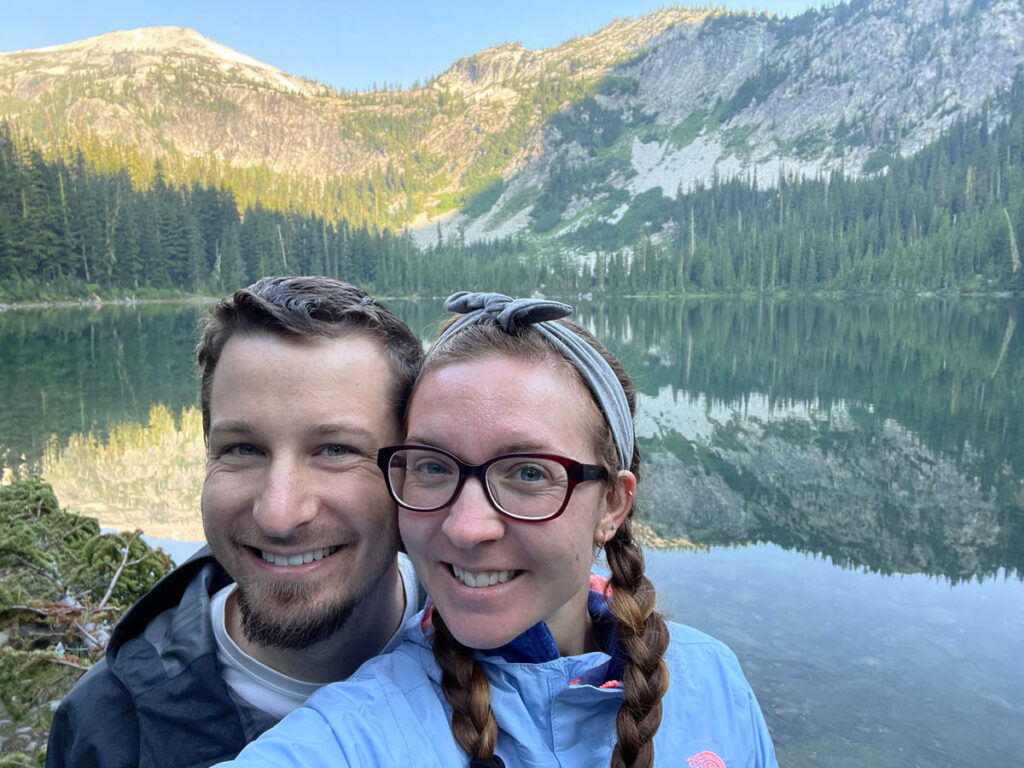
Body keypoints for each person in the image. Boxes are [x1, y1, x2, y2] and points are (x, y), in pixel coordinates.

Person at [220, 291, 779, 767]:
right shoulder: (352, 731)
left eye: (528, 473)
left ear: (612, 504)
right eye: (433, 466)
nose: (466, 528)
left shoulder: (715, 681)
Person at [45, 276, 427, 768]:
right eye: (242, 449)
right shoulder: (107, 730)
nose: (279, 513)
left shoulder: (508, 649)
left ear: (411, 470)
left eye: (335, 450)